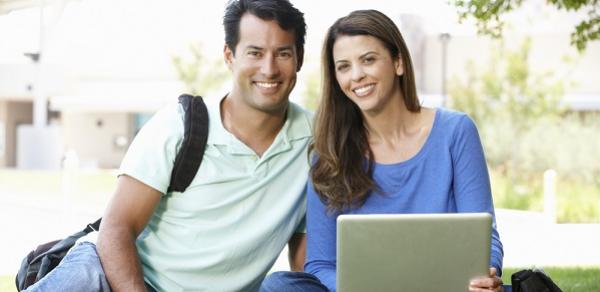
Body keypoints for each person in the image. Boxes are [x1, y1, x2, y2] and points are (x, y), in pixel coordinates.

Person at [24, 1, 312, 291]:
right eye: (255, 52)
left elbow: (305, 256)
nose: (269, 68)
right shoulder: (179, 126)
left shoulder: (316, 142)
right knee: (82, 278)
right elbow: (116, 229)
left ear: (299, 58)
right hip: (117, 275)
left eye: (283, 53)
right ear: (229, 55)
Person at [261, 9, 508, 292]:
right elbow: (320, 264)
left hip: (444, 287)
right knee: (280, 286)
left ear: (398, 62)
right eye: (343, 66)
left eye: (368, 60)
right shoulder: (330, 154)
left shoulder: (455, 132)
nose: (356, 76)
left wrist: (484, 274)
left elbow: (485, 236)